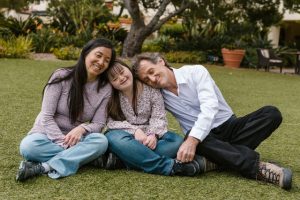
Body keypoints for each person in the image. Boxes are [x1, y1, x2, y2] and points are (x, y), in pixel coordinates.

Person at [132, 52, 293, 190]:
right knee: (193, 135)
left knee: (271, 114)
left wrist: (193, 141)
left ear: (161, 61)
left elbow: (210, 106)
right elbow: (146, 114)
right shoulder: (157, 95)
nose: (152, 79)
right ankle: (257, 168)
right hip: (205, 140)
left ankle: (217, 161)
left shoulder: (195, 72)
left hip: (229, 126)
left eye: (152, 71)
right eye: (147, 79)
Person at [16, 38, 116, 181]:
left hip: (76, 138)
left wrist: (82, 129)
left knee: (101, 141)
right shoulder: (61, 76)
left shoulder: (105, 89)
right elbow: (46, 116)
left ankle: (44, 167)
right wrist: (63, 143)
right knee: (28, 147)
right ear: (86, 53)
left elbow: (99, 124)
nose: (101, 62)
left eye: (107, 60)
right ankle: (91, 159)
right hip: (47, 134)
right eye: (98, 55)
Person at [105, 59, 217, 176]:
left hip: (152, 136)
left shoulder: (151, 89)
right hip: (125, 135)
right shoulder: (110, 96)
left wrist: (153, 135)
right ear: (111, 84)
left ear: (128, 69)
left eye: (122, 72)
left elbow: (158, 116)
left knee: (177, 142)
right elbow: (111, 122)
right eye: (115, 79)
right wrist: (135, 131)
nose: (121, 78)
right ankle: (171, 167)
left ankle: (123, 159)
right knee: (113, 138)